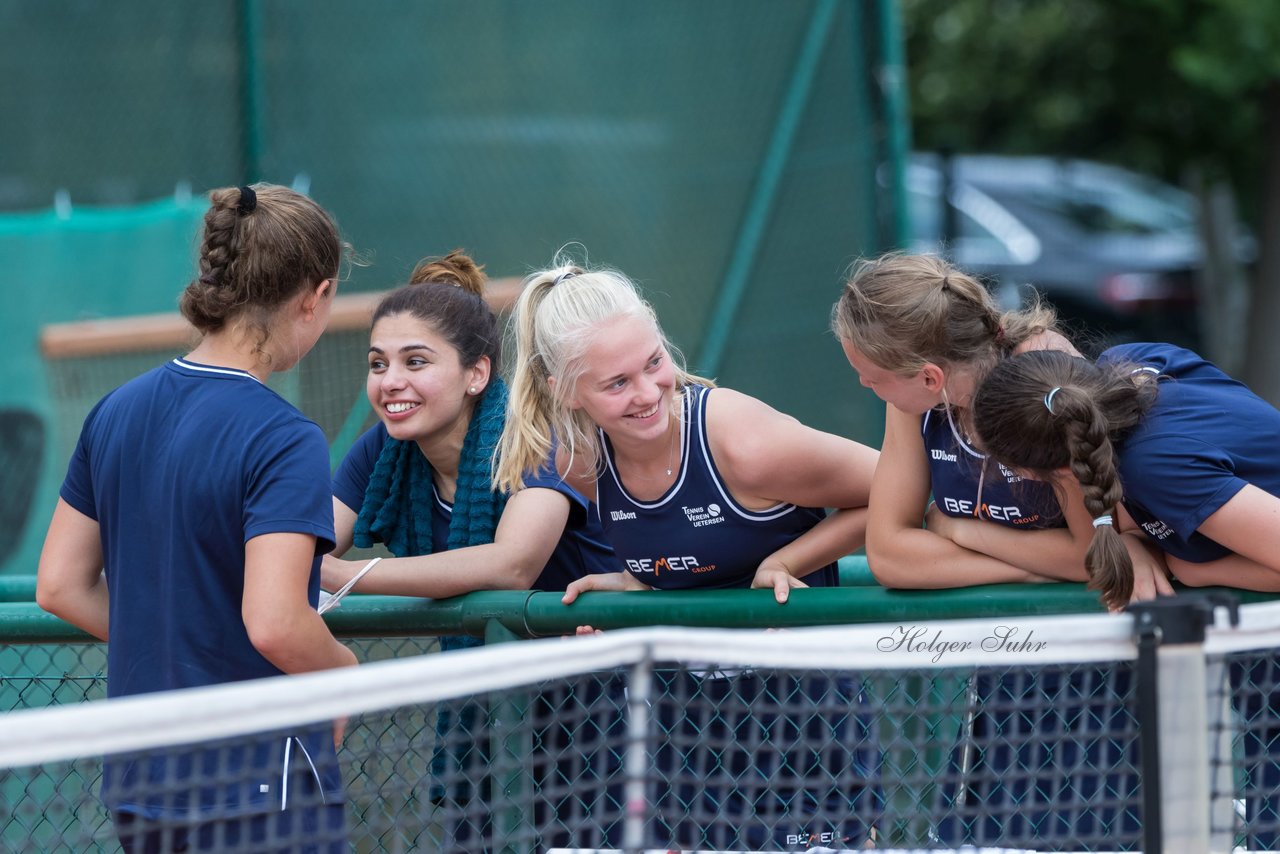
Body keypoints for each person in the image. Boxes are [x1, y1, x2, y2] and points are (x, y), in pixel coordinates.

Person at [494, 257, 882, 850]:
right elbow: (685, 550)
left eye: (654, 363)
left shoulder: (740, 440)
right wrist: (641, 584)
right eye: (617, 383)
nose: (649, 392)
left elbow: (894, 490)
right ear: (565, 391)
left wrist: (785, 563)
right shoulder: (581, 462)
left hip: (807, 723)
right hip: (688, 736)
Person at [36, 184, 356, 853]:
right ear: (314, 297)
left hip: (143, 779)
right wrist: (345, 670)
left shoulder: (115, 411)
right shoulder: (285, 438)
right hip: (263, 787)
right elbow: (274, 622)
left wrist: (174, 646)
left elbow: (60, 584)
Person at [832, 253, 1140, 848]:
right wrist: (1036, 563)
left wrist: (963, 533)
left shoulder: (1043, 379)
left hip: (1103, 670)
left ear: (928, 375)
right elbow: (892, 553)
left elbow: (1099, 556)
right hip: (1005, 673)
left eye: (869, 376)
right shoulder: (914, 405)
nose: (864, 387)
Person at [322, 249, 616, 853]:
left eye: (416, 361)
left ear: (476, 374)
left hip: (604, 718)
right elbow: (304, 544)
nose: (390, 381)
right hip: (489, 732)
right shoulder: (380, 451)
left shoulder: (535, 433)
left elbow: (511, 565)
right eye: (378, 363)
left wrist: (346, 575)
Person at [970, 341, 1280, 847]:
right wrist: (1134, 540)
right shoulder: (1132, 361)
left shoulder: (1155, 466)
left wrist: (1195, 571)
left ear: (1050, 473)